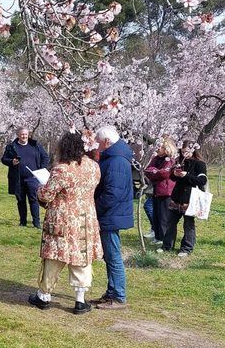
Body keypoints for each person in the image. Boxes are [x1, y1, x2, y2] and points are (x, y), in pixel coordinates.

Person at [28, 132, 102, 314]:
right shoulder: (94, 167)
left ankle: (44, 295)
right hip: (85, 218)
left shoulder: (61, 169)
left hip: (62, 219)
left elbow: (47, 194)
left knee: (54, 256)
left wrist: (39, 189)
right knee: (81, 257)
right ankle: (80, 300)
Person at [92, 126, 134, 310]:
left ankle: (118, 296)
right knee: (109, 256)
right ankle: (111, 292)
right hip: (111, 214)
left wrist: (94, 207)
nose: (97, 145)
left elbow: (112, 194)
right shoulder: (114, 157)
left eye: (99, 142)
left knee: (114, 256)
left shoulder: (116, 161)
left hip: (111, 214)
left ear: (107, 142)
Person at [158, 141, 207, 257]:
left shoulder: (199, 164)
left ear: (193, 150)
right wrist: (174, 174)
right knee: (170, 222)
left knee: (188, 224)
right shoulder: (179, 161)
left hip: (190, 198)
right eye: (183, 151)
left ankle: (186, 248)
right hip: (176, 197)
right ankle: (167, 245)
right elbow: (173, 179)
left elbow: (202, 181)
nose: (185, 154)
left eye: (187, 152)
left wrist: (187, 176)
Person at [1, 127, 49, 228]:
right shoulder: (12, 146)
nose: (24, 136)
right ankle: (23, 222)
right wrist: (11, 162)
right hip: (18, 179)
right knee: (21, 200)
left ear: (28, 135)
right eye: (22, 134)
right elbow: (4, 159)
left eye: (26, 134)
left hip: (33, 178)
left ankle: (36, 223)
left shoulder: (35, 145)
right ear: (18, 135)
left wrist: (41, 169)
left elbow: (45, 157)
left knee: (34, 200)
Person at [144, 138, 177, 246]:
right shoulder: (156, 158)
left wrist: (156, 172)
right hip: (156, 190)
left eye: (162, 147)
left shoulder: (169, 160)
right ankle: (158, 236)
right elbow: (148, 170)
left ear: (167, 149)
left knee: (163, 217)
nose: (159, 148)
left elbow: (165, 174)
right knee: (157, 215)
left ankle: (163, 238)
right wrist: (156, 172)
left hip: (165, 191)